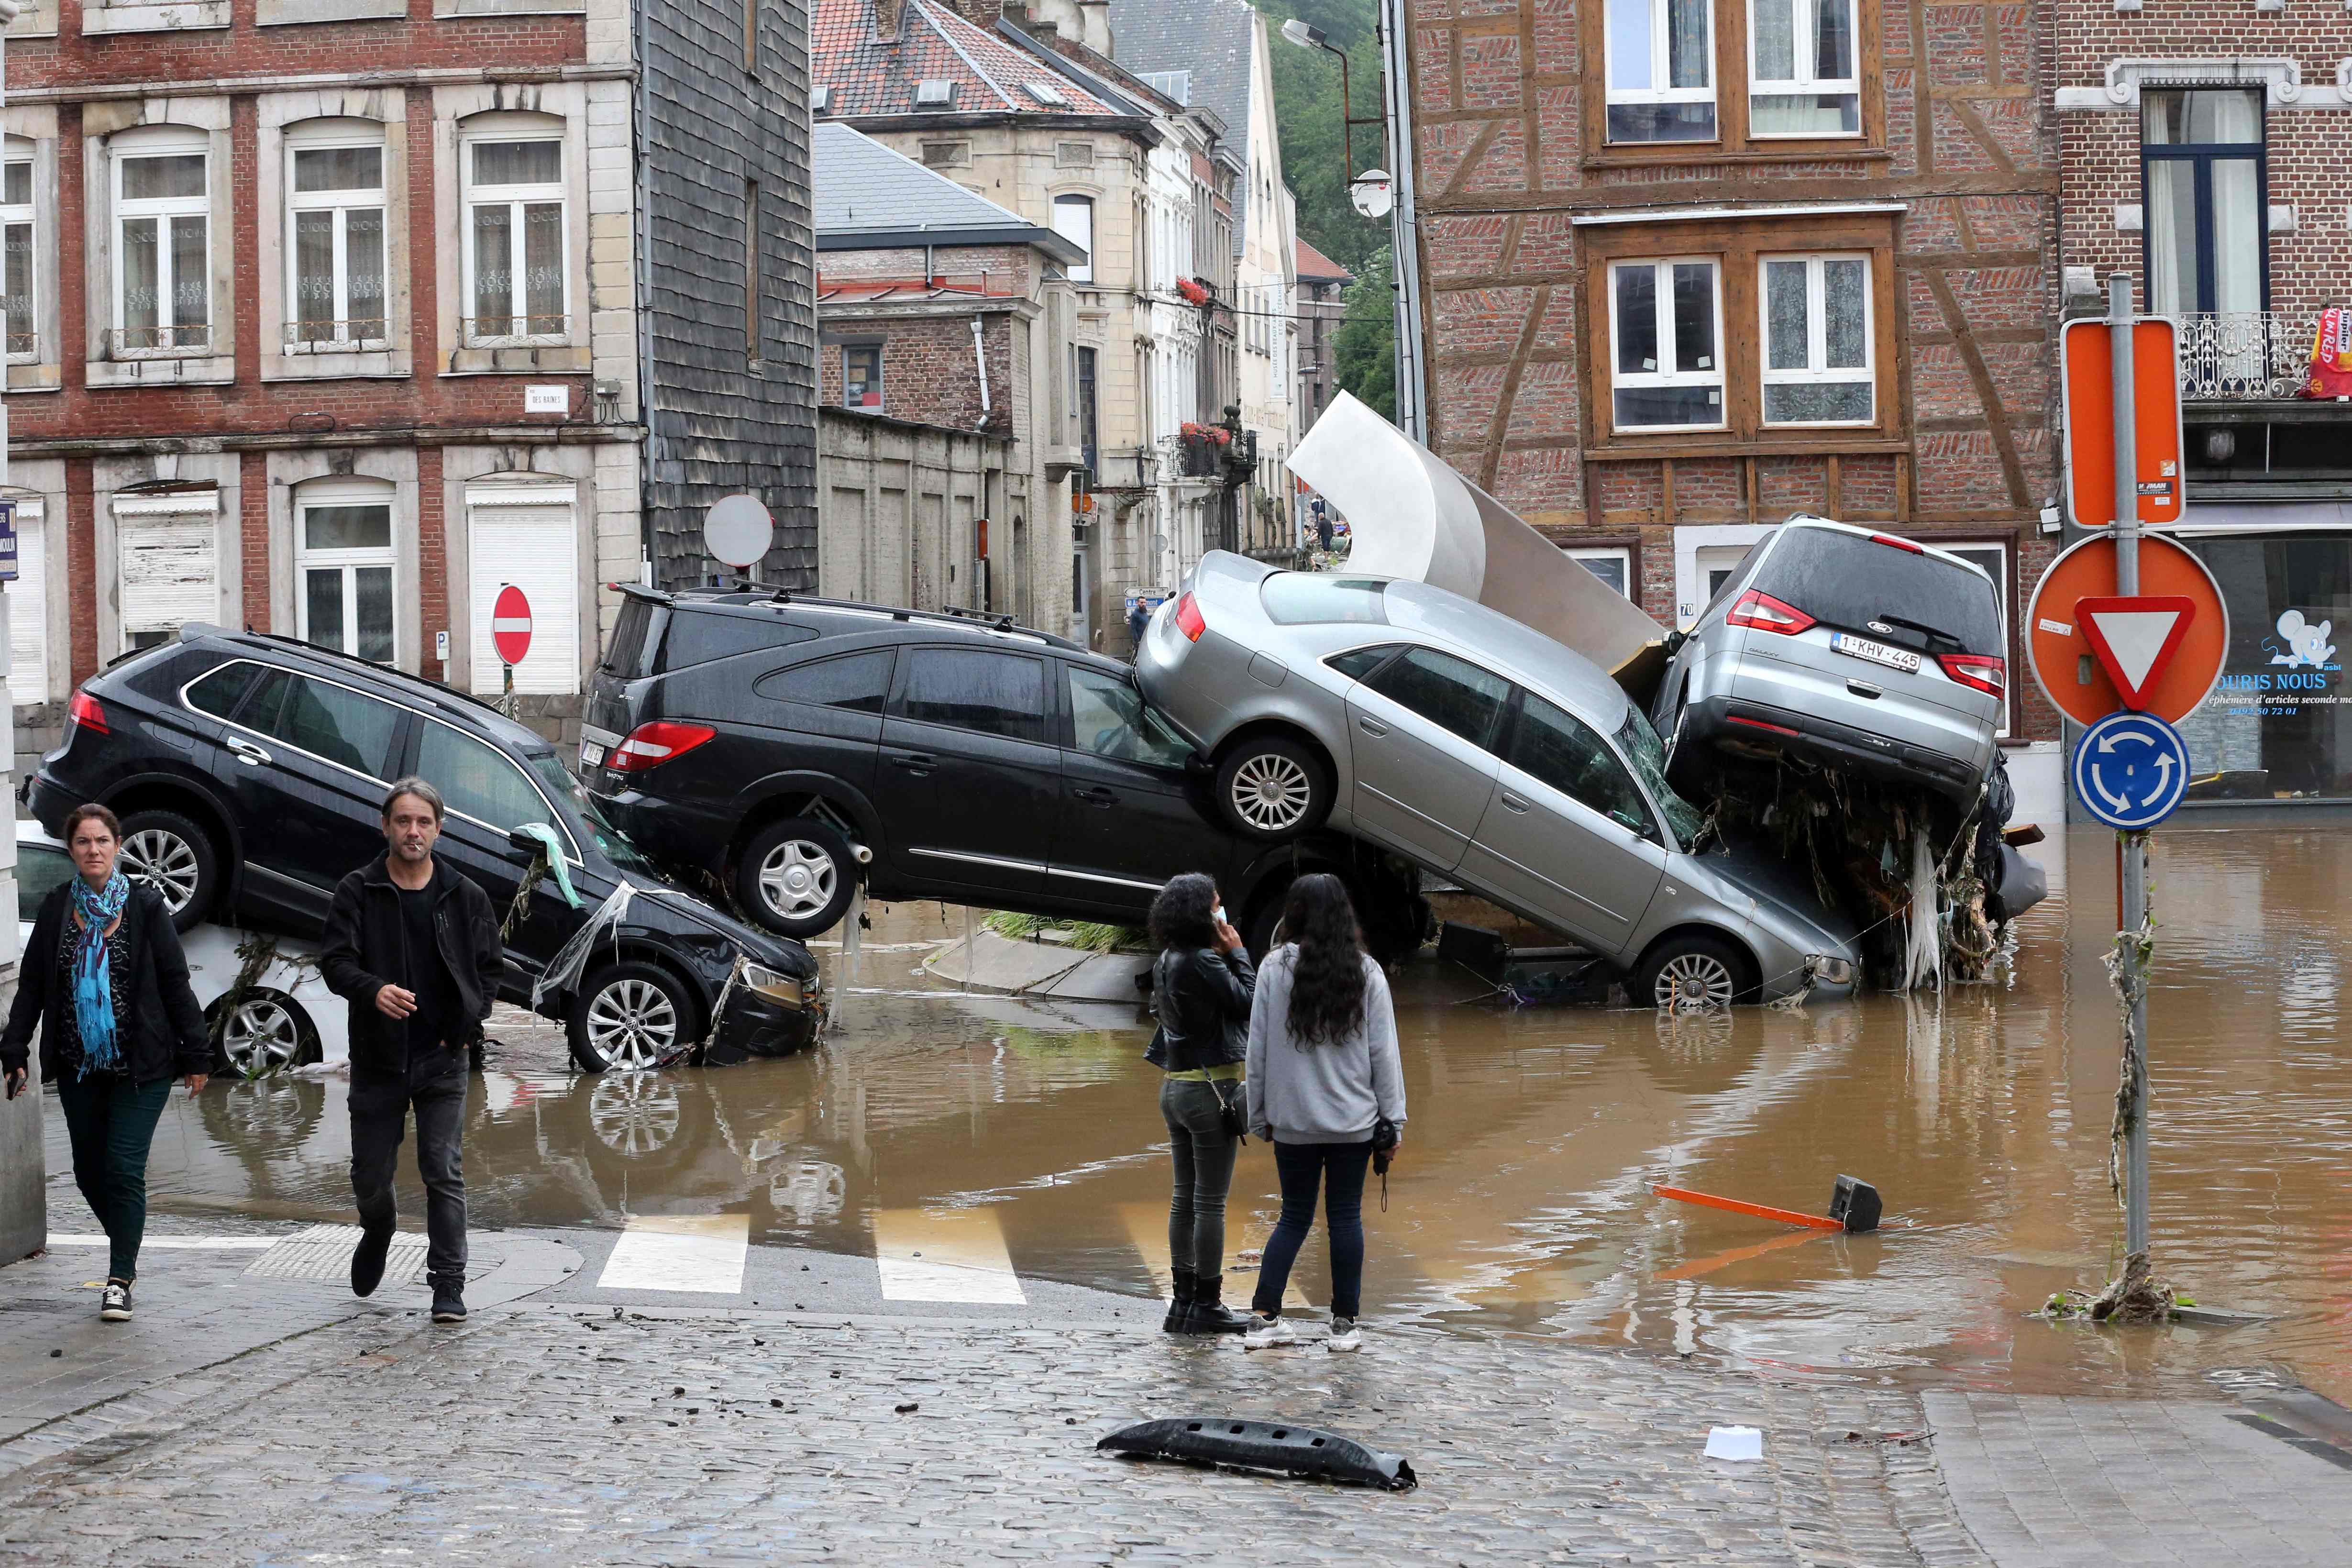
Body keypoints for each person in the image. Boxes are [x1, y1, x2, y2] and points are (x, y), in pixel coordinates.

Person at [1, 804, 210, 1322]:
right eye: (82, 842)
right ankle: (128, 1236)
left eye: (102, 841)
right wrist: (14, 1049)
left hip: (144, 1064)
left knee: (122, 1166)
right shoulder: (54, 910)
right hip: (77, 1065)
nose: (93, 850)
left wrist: (197, 1051)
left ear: (118, 846)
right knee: (89, 1171)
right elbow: (30, 989)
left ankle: (120, 1277)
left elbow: (175, 982)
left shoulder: (145, 906)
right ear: (71, 851)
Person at [321, 778, 503, 1324]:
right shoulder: (359, 889)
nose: (413, 831)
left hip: (443, 1058)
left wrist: (466, 1026)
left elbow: (490, 971)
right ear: (386, 826)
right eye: (403, 820)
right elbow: (334, 961)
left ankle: (448, 1283)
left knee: (442, 1169)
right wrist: (373, 989)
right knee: (369, 1175)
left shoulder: (464, 895)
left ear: (439, 829)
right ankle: (378, 1227)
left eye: (423, 821)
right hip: (378, 1060)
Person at [1243, 873, 1405, 1354]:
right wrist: (1393, 1122)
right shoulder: (1368, 972)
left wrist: (1258, 1114)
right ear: (1344, 914)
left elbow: (1257, 1050)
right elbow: (1385, 1055)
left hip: (1292, 1121)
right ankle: (1343, 1325)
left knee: (1292, 1216)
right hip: (1353, 1123)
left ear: (1293, 914)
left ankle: (1263, 1319)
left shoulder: (1274, 969)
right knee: (1344, 1218)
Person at [1144, 872, 1256, 1336]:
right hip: (1211, 1093)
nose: (1221, 912)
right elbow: (1250, 1001)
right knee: (1211, 1201)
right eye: (1216, 905)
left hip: (1175, 1088)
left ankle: (1183, 1302)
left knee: (1183, 1198)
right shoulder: (1206, 961)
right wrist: (1240, 952)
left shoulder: (1167, 960)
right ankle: (1208, 1303)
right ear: (1200, 912)